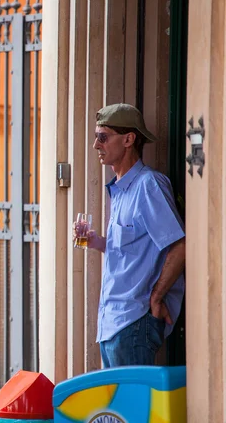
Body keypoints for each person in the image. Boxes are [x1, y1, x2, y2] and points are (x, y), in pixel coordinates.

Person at [76, 103, 186, 368]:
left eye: (102, 137)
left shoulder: (148, 185)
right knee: (120, 410)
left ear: (128, 139)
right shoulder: (121, 189)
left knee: (132, 409)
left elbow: (180, 245)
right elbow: (133, 249)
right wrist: (95, 241)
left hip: (134, 322)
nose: (95, 145)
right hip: (112, 324)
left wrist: (157, 298)